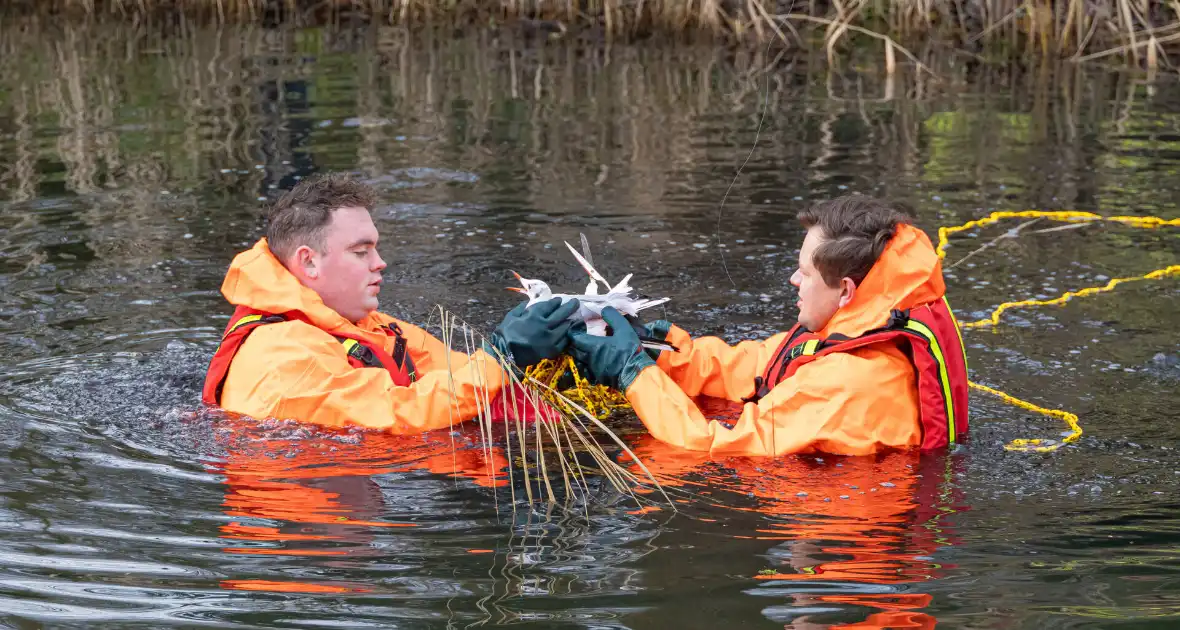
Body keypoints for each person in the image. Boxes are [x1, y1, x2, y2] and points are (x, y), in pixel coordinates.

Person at [570, 195, 970, 457]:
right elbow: (760, 362)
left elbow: (707, 445)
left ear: (845, 289)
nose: (794, 282)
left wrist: (631, 374)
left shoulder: (850, 381)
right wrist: (657, 350)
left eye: (804, 274)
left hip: (844, 534)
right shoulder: (856, 324)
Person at [201, 172, 579, 432]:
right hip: (320, 508)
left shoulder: (357, 323)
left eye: (375, 248)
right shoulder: (281, 358)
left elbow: (452, 372)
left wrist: (554, 359)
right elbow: (396, 414)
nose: (380, 262)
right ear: (308, 262)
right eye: (361, 251)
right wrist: (502, 354)